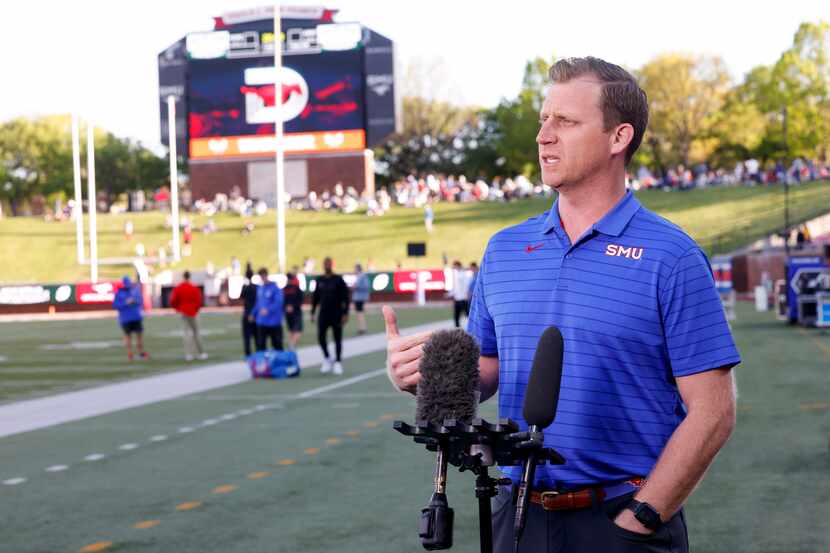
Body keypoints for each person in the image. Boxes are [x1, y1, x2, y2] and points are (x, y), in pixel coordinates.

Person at [384, 57, 740, 553]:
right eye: (543, 120)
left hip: (622, 517)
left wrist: (641, 518)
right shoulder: (503, 249)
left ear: (619, 138)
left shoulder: (672, 256)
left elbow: (713, 412)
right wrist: (423, 374)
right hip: (517, 514)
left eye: (566, 122)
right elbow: (487, 372)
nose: (543, 136)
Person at [311, 257, 350, 375]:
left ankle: (338, 362)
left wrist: (345, 313)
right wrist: (313, 312)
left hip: (336, 313)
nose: (327, 265)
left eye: (329, 263)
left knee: (337, 338)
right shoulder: (319, 280)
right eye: (325, 264)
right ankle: (327, 358)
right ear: (323, 265)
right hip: (323, 313)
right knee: (321, 337)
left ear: (332, 265)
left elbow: (346, 298)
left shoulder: (338, 279)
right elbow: (315, 297)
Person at [170, 271, 207, 361]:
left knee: (186, 334)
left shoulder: (179, 288)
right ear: (190, 277)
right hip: (193, 312)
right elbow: (199, 301)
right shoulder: (194, 288)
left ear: (183, 277)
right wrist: (195, 310)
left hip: (183, 312)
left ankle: (188, 354)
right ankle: (201, 353)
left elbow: (173, 300)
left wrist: (178, 309)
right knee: (196, 333)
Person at [112, 276, 148, 361]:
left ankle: (141, 352)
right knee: (128, 337)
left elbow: (141, 302)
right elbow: (115, 305)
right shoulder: (119, 293)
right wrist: (126, 303)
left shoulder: (135, 291)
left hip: (136, 317)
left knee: (139, 336)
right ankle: (130, 353)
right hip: (125, 319)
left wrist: (135, 301)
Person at [253, 267, 284, 351]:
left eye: (263, 276)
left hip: (274, 322)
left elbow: (279, 302)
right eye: (260, 277)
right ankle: (263, 363)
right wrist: (253, 313)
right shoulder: (260, 288)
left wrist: (268, 310)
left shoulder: (275, 288)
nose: (262, 278)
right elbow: (258, 302)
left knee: (277, 344)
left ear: (266, 275)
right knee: (260, 345)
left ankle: (280, 362)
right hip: (262, 321)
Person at [283, 272, 304, 350]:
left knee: (291, 330)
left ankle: (291, 345)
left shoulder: (285, 288)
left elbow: (282, 301)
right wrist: (291, 306)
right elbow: (300, 300)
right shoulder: (296, 288)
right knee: (298, 331)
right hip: (296, 312)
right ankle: (291, 346)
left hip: (288, 313)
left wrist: (286, 307)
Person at [240, 264, 258, 357]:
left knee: (246, 336)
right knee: (257, 336)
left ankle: (248, 354)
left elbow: (241, 297)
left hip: (247, 313)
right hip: (255, 314)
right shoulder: (256, 287)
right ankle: (259, 353)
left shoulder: (245, 287)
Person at [449, 260, 470, 328]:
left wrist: (466, 294)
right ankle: (457, 327)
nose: (454, 267)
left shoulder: (463, 274)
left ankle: (472, 326)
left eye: (455, 266)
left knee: (467, 313)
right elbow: (456, 287)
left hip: (463, 298)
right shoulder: (456, 274)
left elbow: (467, 285)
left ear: (458, 265)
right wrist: (452, 294)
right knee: (456, 315)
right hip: (457, 298)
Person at [352, 263, 370, 335]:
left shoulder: (362, 276)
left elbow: (365, 286)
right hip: (359, 297)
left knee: (360, 313)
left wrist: (355, 287)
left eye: (355, 268)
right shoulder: (361, 276)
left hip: (359, 297)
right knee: (359, 313)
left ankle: (362, 328)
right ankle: (361, 328)